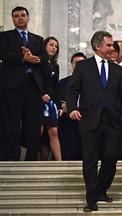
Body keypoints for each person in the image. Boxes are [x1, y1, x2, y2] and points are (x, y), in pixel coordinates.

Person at [66, 31, 122, 212]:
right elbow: (72, 90)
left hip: (112, 121)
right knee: (90, 160)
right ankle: (91, 199)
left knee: (111, 157)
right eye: (109, 45)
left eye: (112, 45)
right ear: (97, 46)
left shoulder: (118, 69)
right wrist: (72, 108)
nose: (112, 48)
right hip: (89, 119)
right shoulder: (83, 67)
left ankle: (100, 190)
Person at [0, 6, 48, 161]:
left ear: (28, 18)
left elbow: (44, 58)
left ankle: (31, 159)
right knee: (11, 124)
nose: (19, 18)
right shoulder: (4, 37)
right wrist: (23, 59)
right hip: (11, 87)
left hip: (33, 86)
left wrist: (35, 58)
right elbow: (3, 54)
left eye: (22, 15)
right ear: (12, 19)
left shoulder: (38, 39)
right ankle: (12, 159)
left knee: (34, 125)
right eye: (16, 16)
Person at [58, 52, 86, 160]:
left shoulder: (92, 82)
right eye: (76, 63)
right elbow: (60, 100)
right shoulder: (63, 82)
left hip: (86, 120)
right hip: (68, 123)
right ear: (72, 65)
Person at [39, 36, 63, 161]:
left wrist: (58, 105)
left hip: (52, 103)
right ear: (45, 46)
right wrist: (41, 94)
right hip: (40, 101)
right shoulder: (38, 62)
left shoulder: (55, 65)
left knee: (54, 132)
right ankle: (33, 161)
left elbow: (56, 86)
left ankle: (60, 164)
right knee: (39, 133)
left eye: (56, 46)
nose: (54, 48)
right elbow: (36, 81)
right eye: (51, 45)